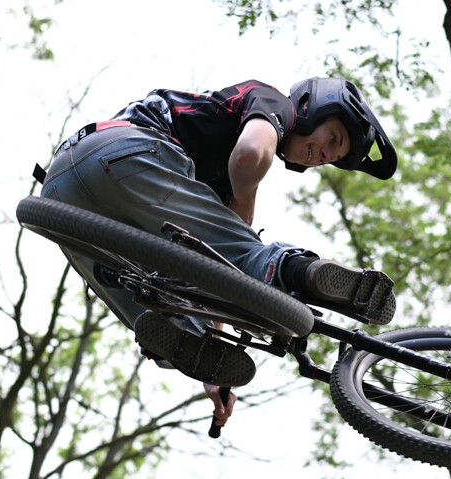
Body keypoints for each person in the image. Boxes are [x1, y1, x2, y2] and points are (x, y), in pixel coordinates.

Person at [35, 77, 397, 426]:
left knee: (151, 301)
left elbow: (218, 274)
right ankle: (305, 274)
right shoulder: (274, 103)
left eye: (333, 156)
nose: (325, 154)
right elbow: (250, 155)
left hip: (59, 194)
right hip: (126, 152)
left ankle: (191, 340)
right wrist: (244, 212)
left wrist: (216, 347)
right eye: (333, 138)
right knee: (250, 258)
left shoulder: (201, 185)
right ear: (310, 108)